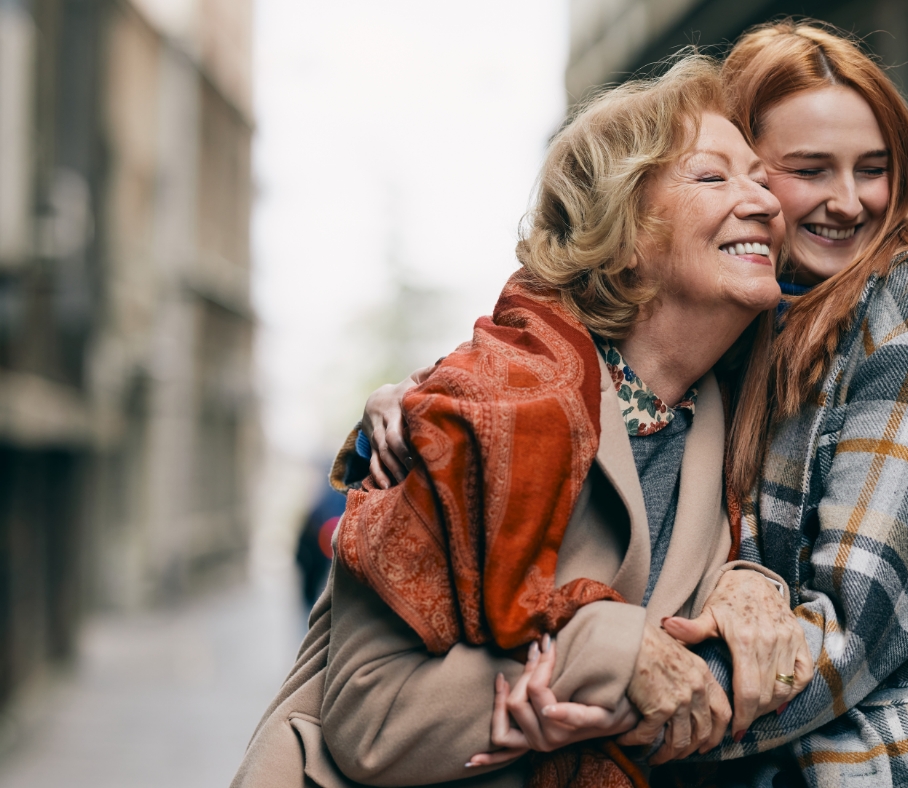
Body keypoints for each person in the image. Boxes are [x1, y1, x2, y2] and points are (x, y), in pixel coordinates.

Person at [366, 20, 908, 788]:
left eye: (874, 169)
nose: (848, 202)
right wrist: (421, 399)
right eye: (807, 170)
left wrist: (620, 692)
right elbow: (560, 331)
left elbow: (847, 628)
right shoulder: (749, 326)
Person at [232, 54, 816, 788]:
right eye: (712, 177)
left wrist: (750, 583)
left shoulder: (741, 415)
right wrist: (603, 656)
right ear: (624, 236)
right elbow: (369, 717)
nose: (763, 201)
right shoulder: (472, 411)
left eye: (761, 179)